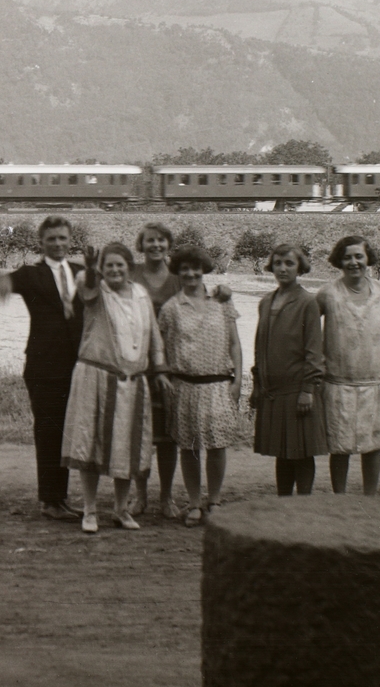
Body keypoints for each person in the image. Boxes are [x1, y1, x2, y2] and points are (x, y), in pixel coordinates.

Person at [61, 242, 166, 533]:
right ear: (102, 268)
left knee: (129, 448)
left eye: (120, 265)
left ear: (130, 267)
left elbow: (154, 336)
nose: (115, 270)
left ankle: (120, 510)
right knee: (92, 445)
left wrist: (160, 368)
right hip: (96, 376)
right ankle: (91, 511)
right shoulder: (94, 289)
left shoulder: (141, 294)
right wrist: (92, 267)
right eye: (109, 265)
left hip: (134, 382)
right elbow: (89, 286)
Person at [0, 216, 85, 520]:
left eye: (62, 238)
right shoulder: (31, 274)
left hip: (78, 366)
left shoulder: (82, 272)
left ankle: (61, 498)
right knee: (48, 431)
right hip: (44, 366)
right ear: (41, 243)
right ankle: (48, 500)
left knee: (66, 433)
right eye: (51, 239)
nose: (57, 244)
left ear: (70, 241)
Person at [130, 223, 231, 519]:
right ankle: (139, 496)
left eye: (161, 240)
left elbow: (201, 293)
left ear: (168, 245)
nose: (155, 246)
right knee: (141, 434)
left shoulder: (177, 277)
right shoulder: (133, 275)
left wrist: (221, 292)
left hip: (168, 367)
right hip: (139, 362)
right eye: (150, 240)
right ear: (142, 244)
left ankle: (166, 498)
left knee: (169, 437)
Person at [156, 245, 243, 527]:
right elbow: (159, 347)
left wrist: (238, 379)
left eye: (196, 268)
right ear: (178, 273)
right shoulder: (170, 308)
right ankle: (194, 503)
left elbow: (234, 343)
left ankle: (214, 501)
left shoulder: (222, 301)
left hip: (218, 384)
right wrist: (164, 375)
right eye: (184, 269)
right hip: (185, 386)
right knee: (190, 448)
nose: (191, 274)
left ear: (204, 269)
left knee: (217, 446)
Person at [316, 236, 380, 496]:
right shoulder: (328, 293)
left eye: (359, 256)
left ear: (368, 259)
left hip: (374, 381)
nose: (353, 262)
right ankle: (340, 498)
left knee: (372, 445)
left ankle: (370, 498)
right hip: (339, 382)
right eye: (347, 257)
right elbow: (306, 326)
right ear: (338, 261)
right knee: (340, 446)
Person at [252, 244, 327, 496]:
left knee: (301, 451)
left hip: (298, 390)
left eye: (289, 264)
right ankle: (282, 503)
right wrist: (257, 385)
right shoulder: (265, 302)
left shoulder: (307, 302)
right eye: (277, 263)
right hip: (273, 391)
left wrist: (308, 389)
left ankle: (303, 504)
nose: (282, 269)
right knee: (282, 451)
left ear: (300, 268)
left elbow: (314, 351)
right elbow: (260, 346)